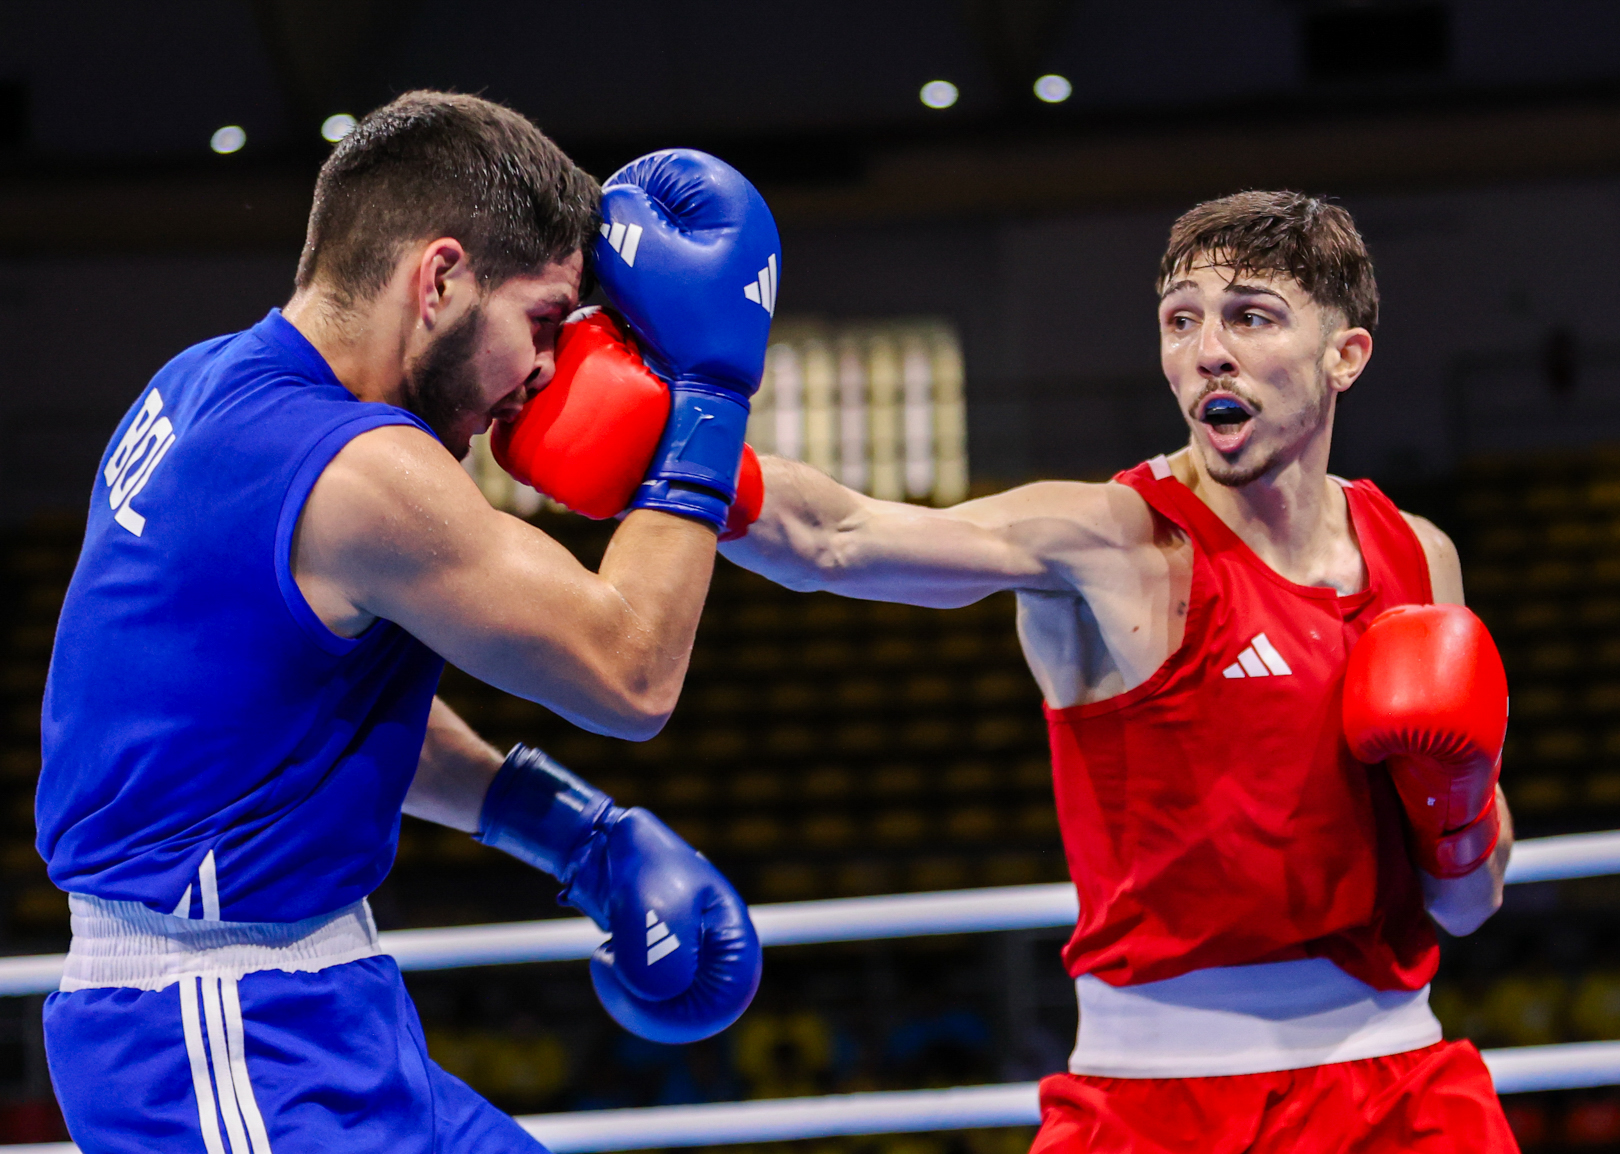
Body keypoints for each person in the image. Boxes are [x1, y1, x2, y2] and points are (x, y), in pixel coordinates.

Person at [36, 91, 775, 1152]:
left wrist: (565, 826)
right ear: (437, 279)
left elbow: (286, 709)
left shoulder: (202, 381)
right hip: (215, 1032)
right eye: (541, 322)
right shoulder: (356, 468)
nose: (540, 377)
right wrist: (711, 388)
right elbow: (631, 671)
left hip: (317, 998)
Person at [715, 191, 1518, 1151]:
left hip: (1397, 1079)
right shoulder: (1116, 541)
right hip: (1159, 1098)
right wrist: (659, 437)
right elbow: (836, 535)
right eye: (1181, 321)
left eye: (1250, 316)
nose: (1206, 351)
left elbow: (1468, 906)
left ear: (1343, 355)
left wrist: (1455, 803)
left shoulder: (1418, 558)